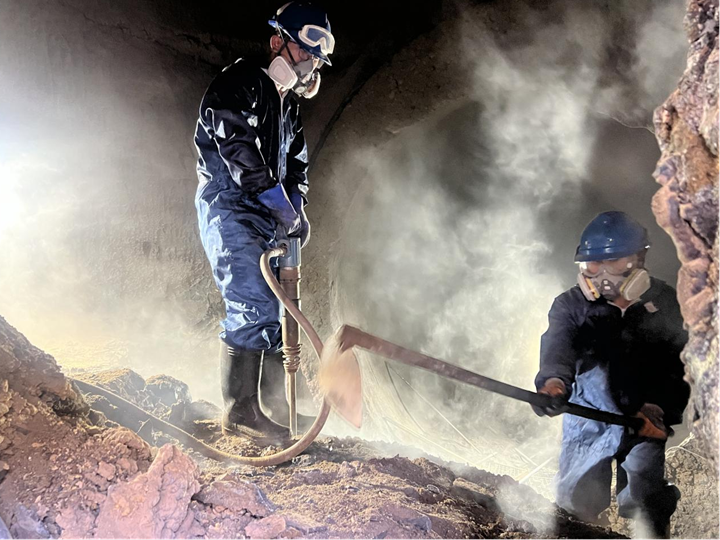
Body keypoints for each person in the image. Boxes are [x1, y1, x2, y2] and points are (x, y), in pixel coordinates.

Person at [193, 1, 334, 440]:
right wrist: (279, 204)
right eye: (305, 52)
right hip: (231, 208)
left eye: (316, 60)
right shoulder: (238, 84)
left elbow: (297, 165)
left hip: (266, 215)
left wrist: (296, 205)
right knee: (253, 302)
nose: (310, 65)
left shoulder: (287, 106)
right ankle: (239, 412)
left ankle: (273, 405)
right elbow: (238, 151)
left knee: (275, 309)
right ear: (278, 42)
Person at [533, 211, 690, 539]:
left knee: (647, 501)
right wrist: (553, 384)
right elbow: (559, 346)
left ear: (639, 258)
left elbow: (677, 365)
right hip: (587, 419)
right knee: (577, 507)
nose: (602, 274)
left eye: (614, 261)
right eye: (593, 264)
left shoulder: (664, 303)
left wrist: (660, 410)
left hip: (643, 419)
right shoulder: (571, 306)